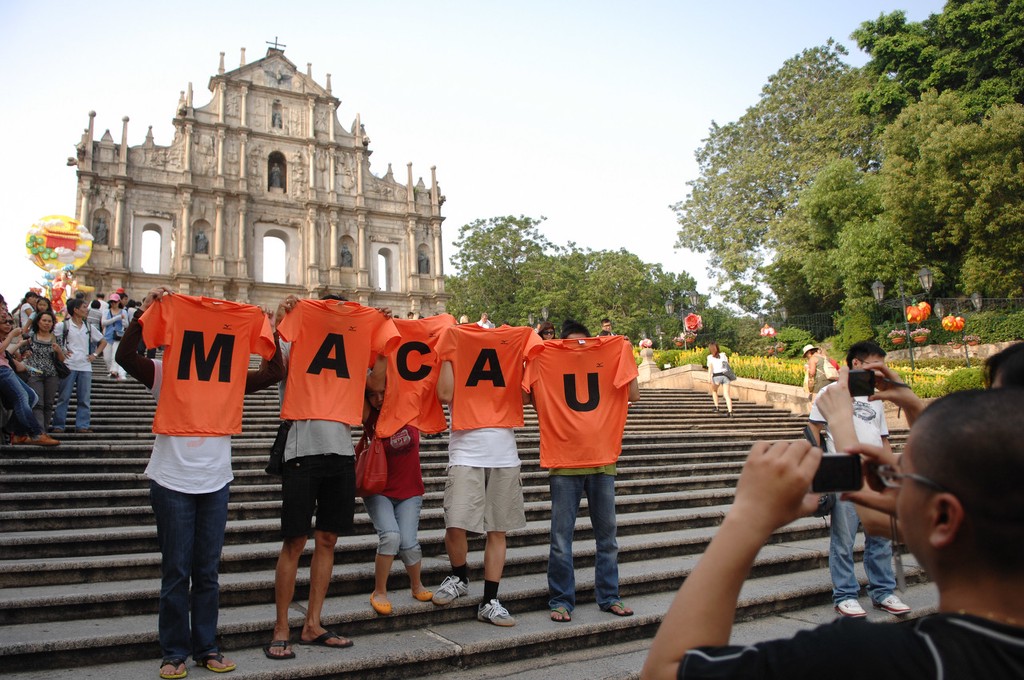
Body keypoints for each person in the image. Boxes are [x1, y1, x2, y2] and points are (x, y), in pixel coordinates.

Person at [645, 381, 1024, 679]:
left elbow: (668, 671)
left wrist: (748, 517)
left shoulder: (871, 659)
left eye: (903, 471)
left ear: (942, 518)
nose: (891, 476)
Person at [117, 287, 281, 679]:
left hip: (214, 480)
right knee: (176, 571)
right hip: (171, 480)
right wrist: (147, 313)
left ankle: (207, 647)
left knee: (206, 571)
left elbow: (276, 372)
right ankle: (174, 652)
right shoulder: (163, 371)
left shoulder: (230, 376)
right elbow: (125, 357)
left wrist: (267, 328)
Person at [265, 294, 399, 660]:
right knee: (294, 541)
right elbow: (275, 364)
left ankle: (312, 623)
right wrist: (282, 319)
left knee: (327, 540)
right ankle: (281, 627)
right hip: (300, 449)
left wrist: (384, 342)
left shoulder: (355, 348)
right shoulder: (297, 339)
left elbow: (375, 384)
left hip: (340, 451)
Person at [524, 319, 639, 622]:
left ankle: (610, 596)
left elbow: (634, 395)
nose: (578, 350)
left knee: (608, 538)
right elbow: (528, 396)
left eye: (583, 344)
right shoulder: (545, 356)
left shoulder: (612, 351)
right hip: (565, 463)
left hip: (602, 461)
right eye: (571, 345)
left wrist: (625, 352)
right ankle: (561, 600)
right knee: (561, 539)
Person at [431, 321, 545, 625]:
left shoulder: (517, 338)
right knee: (455, 522)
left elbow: (526, 394)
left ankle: (490, 599)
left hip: (504, 453)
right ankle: (459, 577)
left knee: (498, 529)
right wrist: (447, 352)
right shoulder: (455, 338)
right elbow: (444, 394)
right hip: (466, 450)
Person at [807, 340, 909, 618]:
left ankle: (883, 591)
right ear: (856, 364)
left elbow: (883, 438)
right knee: (844, 538)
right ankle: (845, 595)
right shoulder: (829, 392)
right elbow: (813, 430)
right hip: (843, 473)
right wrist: (821, 471)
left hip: (875, 474)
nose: (880, 371)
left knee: (881, 538)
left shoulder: (876, 398)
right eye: (875, 365)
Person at [362, 387, 432, 616]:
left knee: (409, 542)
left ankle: (416, 585)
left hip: (409, 490)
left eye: (381, 392)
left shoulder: (410, 408)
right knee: (391, 536)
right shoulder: (370, 416)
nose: (378, 399)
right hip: (378, 488)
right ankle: (379, 591)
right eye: (371, 395)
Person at [0, 312, 59, 445]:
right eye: (5, 321)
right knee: (22, 397)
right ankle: (36, 433)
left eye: (10, 321)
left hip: (7, 368)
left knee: (32, 397)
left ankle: (16, 432)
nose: (8, 323)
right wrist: (12, 336)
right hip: (2, 370)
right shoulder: (9, 337)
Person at [52, 298, 108, 433]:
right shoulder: (63, 326)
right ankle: (58, 425)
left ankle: (82, 425)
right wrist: (62, 350)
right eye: (84, 307)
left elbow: (103, 341)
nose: (86, 309)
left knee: (84, 399)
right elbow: (52, 337)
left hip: (85, 366)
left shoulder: (88, 327)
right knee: (63, 397)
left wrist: (94, 355)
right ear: (75, 310)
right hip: (69, 365)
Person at [21, 309, 66, 431]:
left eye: (49, 321)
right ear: (38, 322)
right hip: (34, 374)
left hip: (52, 374)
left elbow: (62, 359)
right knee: (38, 403)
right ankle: (39, 431)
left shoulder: (56, 338)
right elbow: (21, 354)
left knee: (49, 403)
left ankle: (45, 429)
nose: (47, 323)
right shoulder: (30, 337)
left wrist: (59, 351)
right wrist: (25, 353)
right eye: (44, 320)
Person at [102, 293, 129, 381]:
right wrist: (117, 318)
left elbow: (126, 324)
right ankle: (112, 371)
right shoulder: (106, 311)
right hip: (108, 336)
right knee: (106, 357)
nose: (113, 303)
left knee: (115, 356)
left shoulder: (124, 311)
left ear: (118, 302)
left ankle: (114, 372)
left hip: (118, 336)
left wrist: (124, 320)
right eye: (112, 302)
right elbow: (104, 323)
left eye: (115, 302)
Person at [706, 342, 735, 416]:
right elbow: (726, 365)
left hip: (716, 376)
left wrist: (709, 377)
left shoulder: (710, 357)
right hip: (725, 376)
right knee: (727, 394)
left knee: (714, 391)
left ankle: (717, 407)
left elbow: (710, 368)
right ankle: (730, 412)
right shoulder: (723, 355)